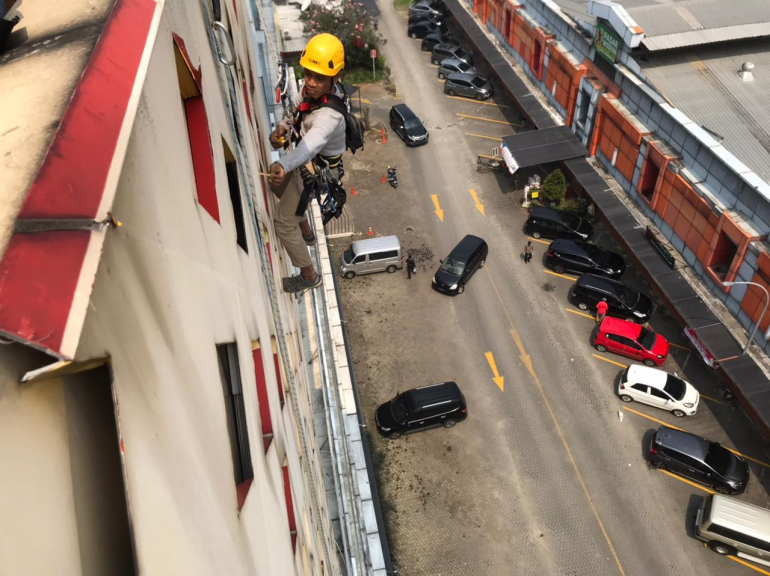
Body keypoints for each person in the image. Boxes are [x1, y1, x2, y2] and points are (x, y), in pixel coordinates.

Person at [268, 33, 347, 293]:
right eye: (308, 74)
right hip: (307, 162)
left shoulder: (329, 118)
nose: (311, 83)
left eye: (319, 78)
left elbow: (308, 146)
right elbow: (293, 110)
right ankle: (305, 229)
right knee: (277, 189)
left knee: (281, 223)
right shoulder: (313, 92)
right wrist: (281, 129)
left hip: (315, 170)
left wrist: (284, 164)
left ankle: (309, 274)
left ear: (334, 78)